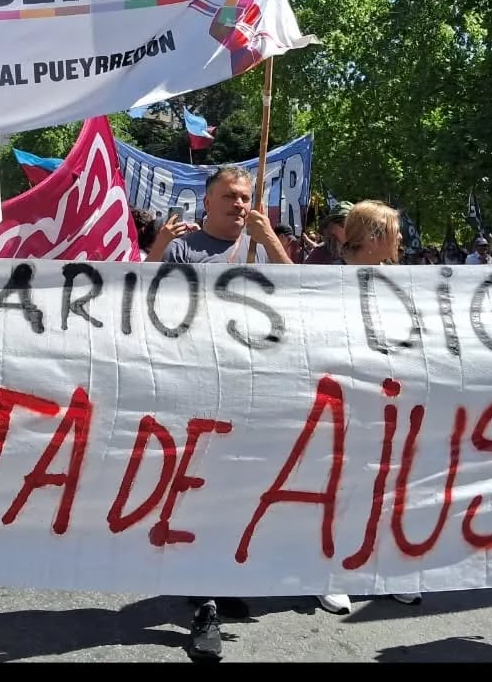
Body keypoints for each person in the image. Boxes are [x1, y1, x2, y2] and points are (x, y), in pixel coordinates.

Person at [149, 166, 291, 661]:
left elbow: (299, 292)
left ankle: (217, 577)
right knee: (197, 492)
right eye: (229, 195)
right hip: (194, 388)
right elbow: (144, 298)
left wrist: (269, 238)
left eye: (246, 195)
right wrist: (157, 249)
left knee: (235, 489)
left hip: (248, 386)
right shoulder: (185, 248)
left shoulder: (258, 245)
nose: (239, 203)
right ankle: (204, 603)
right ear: (206, 202)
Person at [315, 201, 421, 616]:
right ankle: (329, 573)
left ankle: (387, 569)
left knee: (390, 486)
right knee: (341, 486)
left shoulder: (402, 282)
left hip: (392, 399)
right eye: (395, 233)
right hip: (343, 400)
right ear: (375, 237)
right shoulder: (330, 280)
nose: (400, 241)